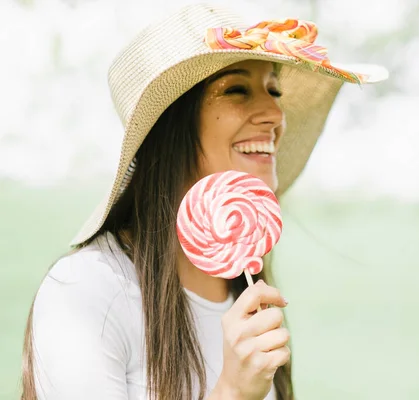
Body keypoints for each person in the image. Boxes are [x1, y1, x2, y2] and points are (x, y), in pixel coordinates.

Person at [20, 3, 388, 400]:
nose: (274, 113)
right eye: (236, 90)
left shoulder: (245, 297)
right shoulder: (88, 290)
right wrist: (232, 391)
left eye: (274, 90)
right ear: (172, 123)